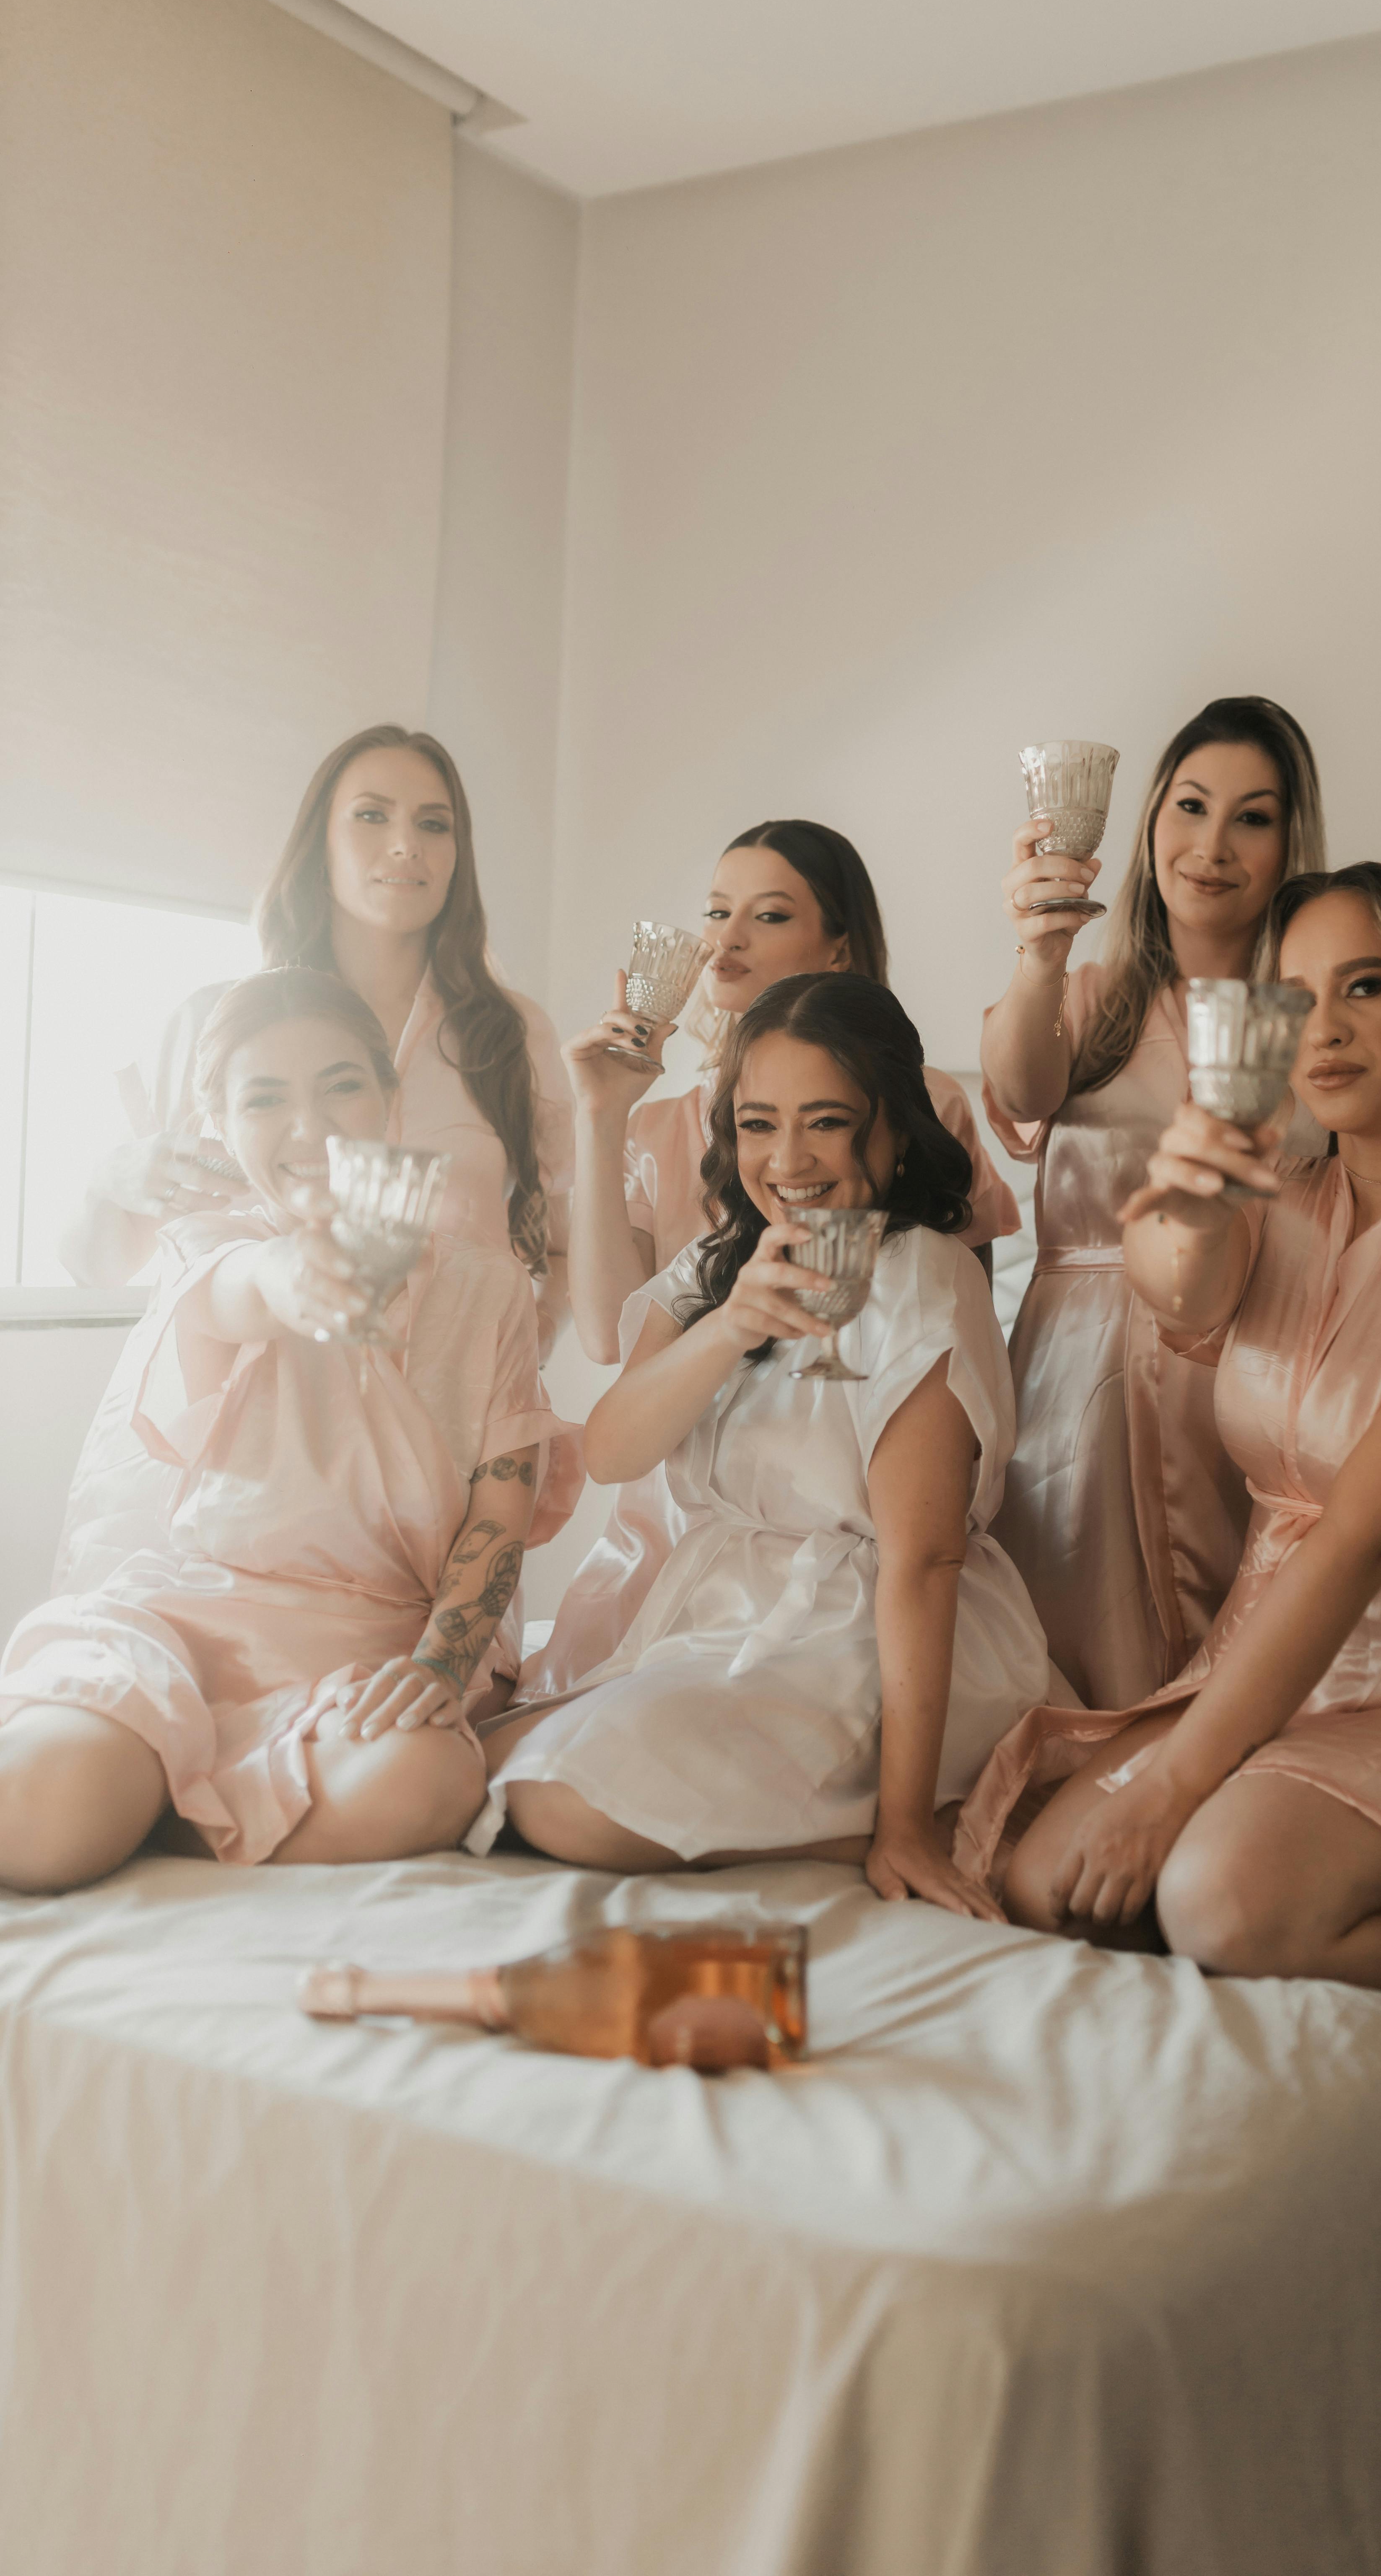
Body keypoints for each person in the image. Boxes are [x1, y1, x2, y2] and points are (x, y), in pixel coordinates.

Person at [958, 865, 1381, 1988]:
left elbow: (1366, 1534)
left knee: (1215, 1902)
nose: (1322, 1031)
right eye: (1293, 999)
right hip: (1281, 1662)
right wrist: (1184, 1197)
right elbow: (1173, 1283)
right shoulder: (1282, 1197)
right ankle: (1283, 1848)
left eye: (1366, 987)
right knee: (1044, 1884)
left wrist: (1177, 1791)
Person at [475, 974, 1047, 1922]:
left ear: (894, 1126)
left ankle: (901, 1822)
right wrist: (731, 1324)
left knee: (561, 1802)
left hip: (863, 1640)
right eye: (756, 1124)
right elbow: (615, 1449)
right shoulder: (717, 1266)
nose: (788, 1158)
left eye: (827, 1122)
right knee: (478, 1760)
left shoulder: (923, 1277)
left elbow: (923, 1561)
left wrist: (901, 1824)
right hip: (719, 1615)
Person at [0, 969, 581, 1888]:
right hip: (186, 1633)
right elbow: (247, 1288)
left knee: (428, 1781)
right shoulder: (216, 1254)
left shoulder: (490, 1288)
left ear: (392, 1102)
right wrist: (296, 1276)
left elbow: (496, 1519)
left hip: (370, 1660)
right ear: (222, 1126)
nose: (308, 1126)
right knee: (38, 1817)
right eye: (265, 1099)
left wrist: (438, 1668)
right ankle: (144, 1777)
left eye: (341, 1085)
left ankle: (168, 1808)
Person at [548, 818, 1019, 1667]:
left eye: (766, 917)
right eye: (716, 913)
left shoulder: (920, 1105)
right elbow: (611, 1340)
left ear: (837, 946)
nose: (725, 941)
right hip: (685, 1481)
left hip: (846, 1503)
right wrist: (600, 1115)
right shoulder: (657, 1122)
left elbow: (950, 1333)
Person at [978, 696, 1327, 1712]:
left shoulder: (1319, 1019)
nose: (1212, 846)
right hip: (1074, 1379)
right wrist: (1041, 946)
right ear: (1147, 824)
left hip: (1256, 1367)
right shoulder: (1091, 1001)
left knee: (1240, 1668)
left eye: (1252, 818)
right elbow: (1018, 1091)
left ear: (1288, 842)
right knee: (1064, 1662)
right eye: (1190, 806)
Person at [59, 725, 574, 1358]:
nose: (407, 844)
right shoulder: (213, 1024)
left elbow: (560, 1248)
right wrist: (112, 1179)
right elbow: (97, 1268)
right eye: (371, 816)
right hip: (252, 1438)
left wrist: (516, 1359)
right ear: (320, 845)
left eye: (434, 825)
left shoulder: (511, 1035)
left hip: (451, 1445)